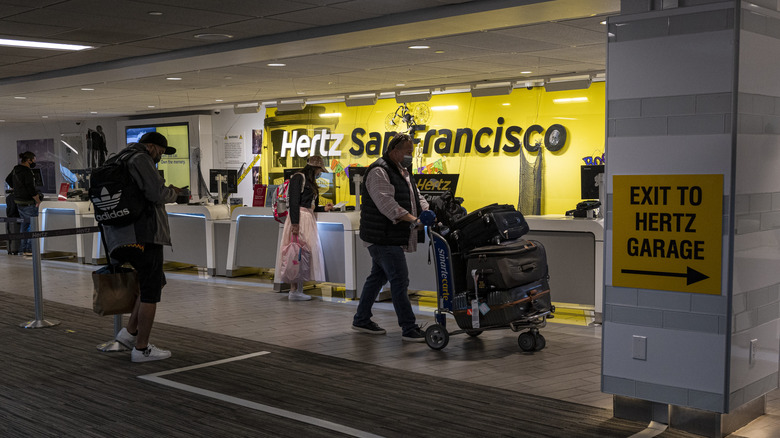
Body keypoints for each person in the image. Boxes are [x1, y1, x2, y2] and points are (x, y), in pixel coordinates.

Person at [107, 132, 184, 362]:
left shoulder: (118, 158)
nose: (160, 156)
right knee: (151, 290)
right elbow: (156, 193)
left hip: (120, 233)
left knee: (153, 281)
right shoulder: (141, 159)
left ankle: (129, 334)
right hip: (144, 235)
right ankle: (141, 349)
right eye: (160, 151)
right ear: (150, 146)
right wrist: (174, 193)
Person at [352, 133, 430, 342]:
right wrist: (414, 220)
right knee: (399, 279)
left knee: (378, 276)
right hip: (382, 237)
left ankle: (361, 319)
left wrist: (427, 211)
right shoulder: (379, 171)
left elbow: (416, 195)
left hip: (388, 235)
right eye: (408, 152)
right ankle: (409, 328)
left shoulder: (401, 170)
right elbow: (387, 205)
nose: (410, 156)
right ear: (394, 151)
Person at [274, 155, 333, 301]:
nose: (320, 173)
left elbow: (309, 204)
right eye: (319, 169)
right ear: (315, 168)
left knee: (303, 252)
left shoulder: (309, 181)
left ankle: (298, 289)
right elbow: (294, 202)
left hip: (306, 218)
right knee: (296, 251)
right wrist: (295, 224)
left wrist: (322, 208)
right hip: (299, 219)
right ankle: (294, 290)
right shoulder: (299, 178)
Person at [6, 152, 41, 256]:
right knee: (32, 226)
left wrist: (15, 188)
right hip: (28, 202)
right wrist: (37, 199)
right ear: (28, 160)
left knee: (24, 225)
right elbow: (30, 187)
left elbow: (8, 179)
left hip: (18, 201)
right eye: (33, 160)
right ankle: (29, 250)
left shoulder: (16, 169)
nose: (34, 162)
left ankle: (22, 249)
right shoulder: (27, 171)